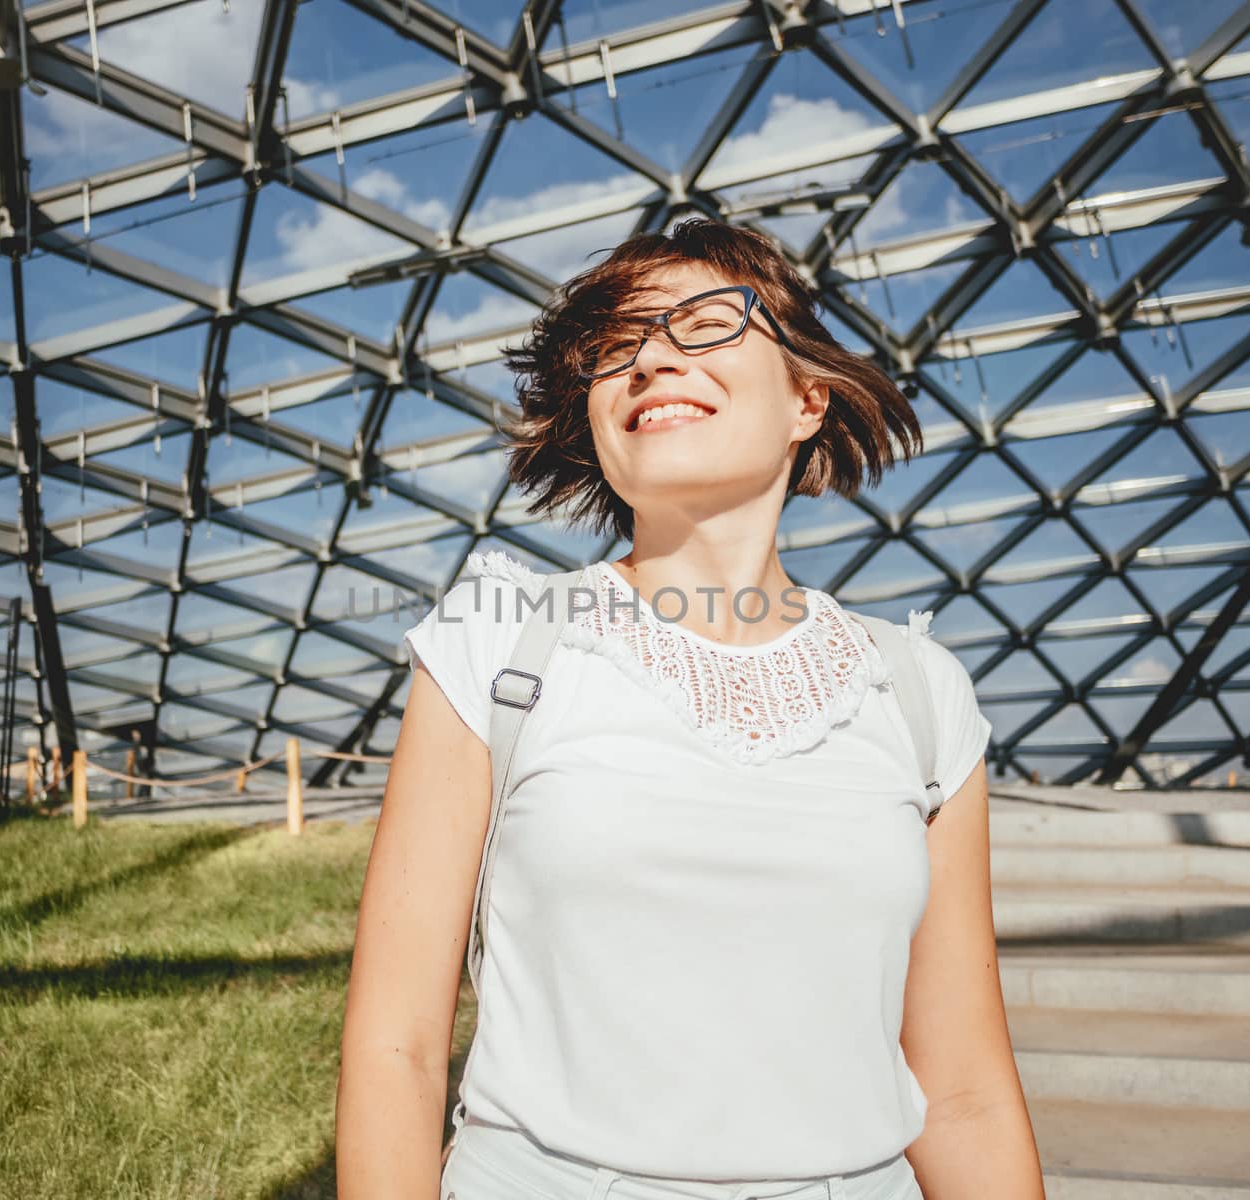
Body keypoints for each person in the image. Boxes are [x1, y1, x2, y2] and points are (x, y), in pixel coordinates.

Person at [336, 219, 1045, 1200]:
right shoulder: (497, 639)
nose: (648, 358)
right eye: (611, 347)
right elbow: (396, 1049)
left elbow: (963, 1092)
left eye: (704, 325)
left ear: (807, 397)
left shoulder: (918, 691)